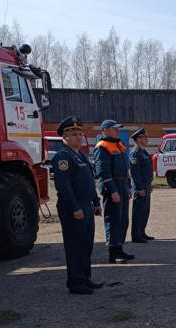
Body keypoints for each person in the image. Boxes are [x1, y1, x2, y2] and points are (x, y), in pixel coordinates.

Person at [52, 116, 102, 295]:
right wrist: (74, 208)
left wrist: (96, 202)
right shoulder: (62, 157)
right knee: (75, 246)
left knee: (86, 246)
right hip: (74, 208)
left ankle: (85, 278)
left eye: (80, 134)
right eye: (74, 134)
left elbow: (89, 181)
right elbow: (64, 186)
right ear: (64, 137)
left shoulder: (80, 155)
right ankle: (75, 282)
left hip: (86, 206)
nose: (78, 137)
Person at [94, 119, 135, 264]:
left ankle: (120, 247)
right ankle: (112, 252)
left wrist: (128, 186)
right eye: (114, 129)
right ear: (105, 130)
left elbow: (126, 168)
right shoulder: (102, 147)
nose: (117, 131)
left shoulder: (118, 145)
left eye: (118, 129)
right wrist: (112, 190)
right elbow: (103, 172)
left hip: (122, 184)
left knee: (123, 219)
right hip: (113, 187)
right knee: (113, 220)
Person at [129, 128, 155, 244]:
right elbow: (135, 173)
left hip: (146, 185)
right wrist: (139, 188)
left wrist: (149, 185)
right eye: (144, 137)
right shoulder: (135, 153)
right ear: (138, 139)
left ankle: (142, 232)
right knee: (138, 211)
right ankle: (136, 235)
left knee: (145, 211)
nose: (147, 139)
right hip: (140, 187)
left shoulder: (143, 152)